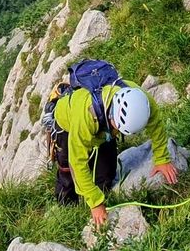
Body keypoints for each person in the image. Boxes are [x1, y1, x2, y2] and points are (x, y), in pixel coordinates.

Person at [51, 75, 177, 227]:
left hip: (104, 131)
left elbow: (156, 125)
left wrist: (162, 159)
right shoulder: (85, 115)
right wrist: (95, 203)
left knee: (106, 174)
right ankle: (67, 209)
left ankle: (102, 192)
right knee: (67, 172)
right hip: (67, 124)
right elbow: (76, 163)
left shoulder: (140, 99)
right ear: (112, 115)